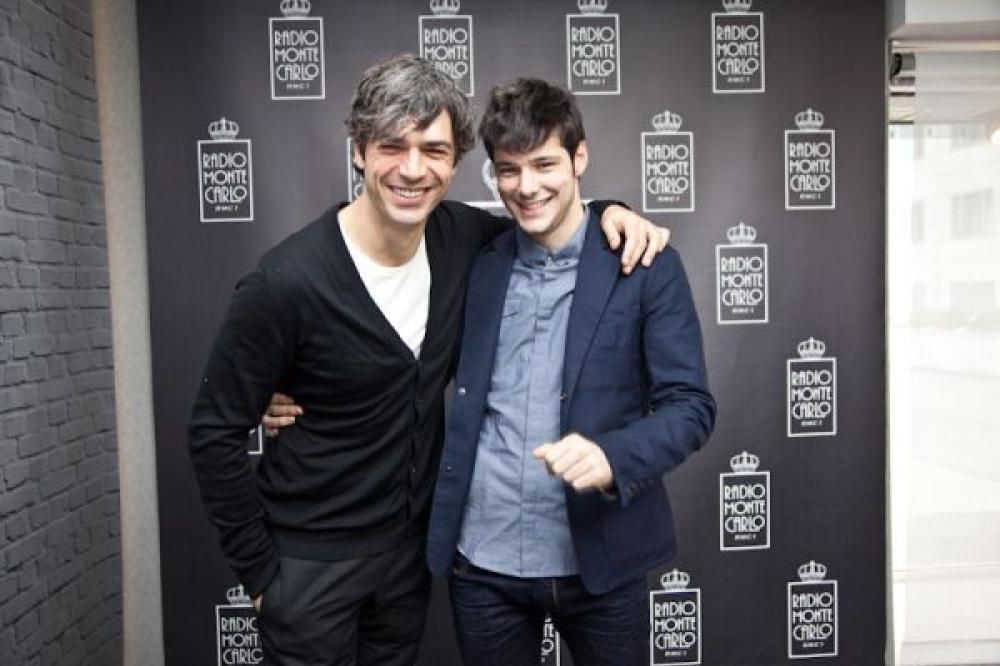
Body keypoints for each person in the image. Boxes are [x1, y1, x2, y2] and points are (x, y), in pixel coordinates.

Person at [188, 54, 667, 666]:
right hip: (309, 568)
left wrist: (611, 212)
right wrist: (261, 579)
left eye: (434, 150)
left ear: (456, 162)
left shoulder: (462, 240)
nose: (413, 169)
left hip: (406, 568)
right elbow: (213, 432)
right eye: (393, 146)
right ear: (359, 151)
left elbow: (551, 217)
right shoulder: (285, 283)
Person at [422, 78, 717, 665]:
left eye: (545, 164)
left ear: (580, 158)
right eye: (509, 170)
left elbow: (691, 408)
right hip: (483, 564)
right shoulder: (475, 262)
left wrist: (613, 457)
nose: (527, 187)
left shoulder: (646, 265)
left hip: (603, 559)